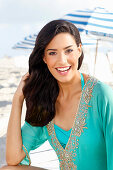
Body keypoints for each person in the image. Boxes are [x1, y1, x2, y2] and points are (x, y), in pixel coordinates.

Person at [3, 20, 113, 170]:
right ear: (44, 58)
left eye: (68, 50)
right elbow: (13, 158)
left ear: (79, 50)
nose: (62, 60)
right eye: (52, 53)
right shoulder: (46, 99)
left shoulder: (102, 95)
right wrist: (18, 99)